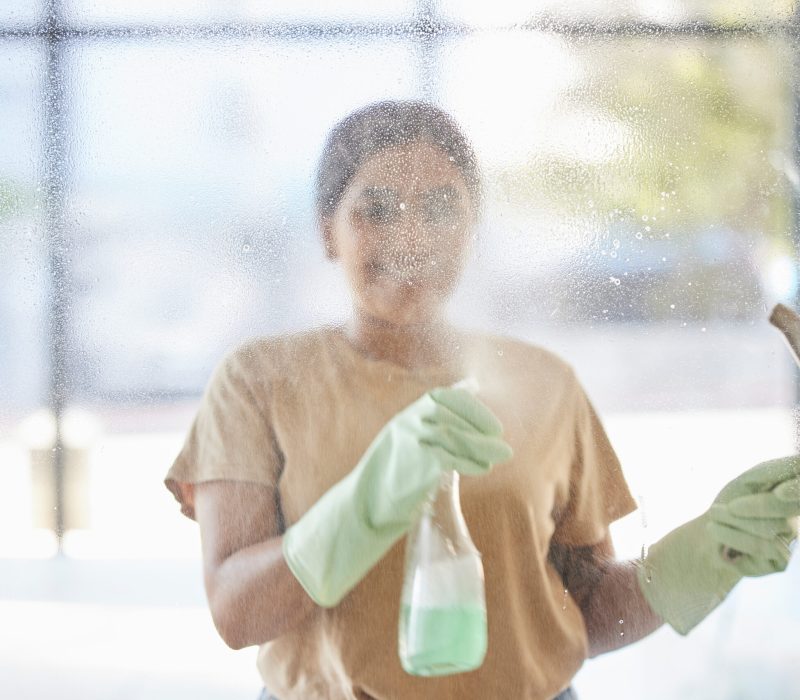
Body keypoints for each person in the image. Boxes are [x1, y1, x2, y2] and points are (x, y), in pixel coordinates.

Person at [164, 100, 800, 700]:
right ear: (327, 230)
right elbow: (235, 614)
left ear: (473, 228)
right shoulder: (259, 381)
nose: (412, 235)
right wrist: (360, 510)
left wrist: (699, 559)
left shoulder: (544, 384)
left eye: (442, 207)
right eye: (377, 209)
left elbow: (580, 611)